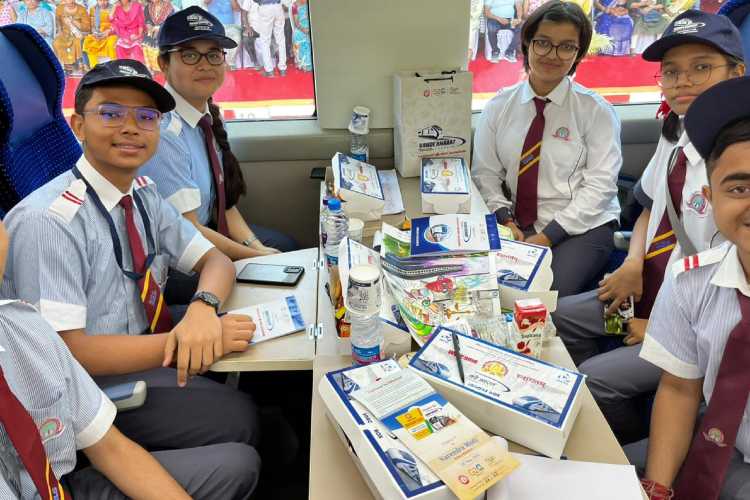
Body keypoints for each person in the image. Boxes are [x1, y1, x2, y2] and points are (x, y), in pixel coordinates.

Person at [0, 60, 262, 480]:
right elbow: (70, 353)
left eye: (145, 117)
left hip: (139, 340)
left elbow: (214, 261)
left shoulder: (141, 192)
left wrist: (202, 309)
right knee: (241, 419)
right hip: (87, 389)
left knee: (251, 367)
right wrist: (180, 342)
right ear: (78, 126)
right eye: (111, 113)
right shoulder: (48, 224)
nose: (130, 127)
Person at [552, 10, 745, 445]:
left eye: (701, 67)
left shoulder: (735, 162)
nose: (683, 81)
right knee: (561, 318)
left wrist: (659, 325)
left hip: (695, 321)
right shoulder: (676, 131)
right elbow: (649, 208)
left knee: (592, 380)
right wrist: (633, 263)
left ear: (738, 72)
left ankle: (632, 440)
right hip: (648, 286)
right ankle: (629, 402)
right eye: (671, 72)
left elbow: (729, 289)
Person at [636, 75, 750, 500]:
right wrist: (658, 489)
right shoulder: (690, 279)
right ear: (711, 197)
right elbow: (679, 388)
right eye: (739, 188)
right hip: (727, 442)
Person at [141, 7, 297, 302]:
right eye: (190, 55)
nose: (205, 65)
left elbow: (223, 204)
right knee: (274, 276)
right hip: (178, 262)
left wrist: (257, 248)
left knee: (285, 247)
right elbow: (187, 229)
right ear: (164, 62)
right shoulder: (164, 133)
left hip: (210, 232)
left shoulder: (209, 116)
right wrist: (255, 258)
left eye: (214, 54)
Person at [472, 0, 621, 297]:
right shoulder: (499, 106)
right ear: (527, 43)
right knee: (483, 287)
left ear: (577, 54)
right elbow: (485, 174)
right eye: (543, 43)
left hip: (582, 227)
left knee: (541, 297)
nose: (553, 55)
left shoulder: (596, 111)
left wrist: (548, 235)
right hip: (516, 223)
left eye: (566, 47)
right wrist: (505, 219)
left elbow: (601, 186)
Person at [53, 0, 90, 74]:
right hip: (65, 33)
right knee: (56, 42)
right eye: (67, 1)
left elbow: (86, 28)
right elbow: (58, 22)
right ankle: (66, 65)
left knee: (78, 41)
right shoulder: (59, 9)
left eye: (72, 1)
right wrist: (59, 31)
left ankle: (80, 65)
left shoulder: (82, 9)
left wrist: (73, 21)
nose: (69, 2)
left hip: (79, 32)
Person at [82, 0, 117, 67]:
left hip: (110, 33)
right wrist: (95, 32)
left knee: (112, 42)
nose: (103, 3)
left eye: (105, 0)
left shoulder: (114, 8)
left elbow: (117, 24)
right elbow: (92, 25)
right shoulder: (93, 9)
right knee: (88, 41)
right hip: (98, 33)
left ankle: (113, 66)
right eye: (100, 1)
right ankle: (94, 67)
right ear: (97, 1)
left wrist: (109, 31)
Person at [256, 0, 286, 76]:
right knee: (281, 40)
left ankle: (269, 70)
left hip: (265, 7)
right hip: (278, 6)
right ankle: (282, 69)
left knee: (265, 41)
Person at [143, 0, 173, 71]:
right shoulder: (148, 7)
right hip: (152, 32)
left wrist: (159, 28)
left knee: (160, 46)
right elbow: (147, 20)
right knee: (146, 42)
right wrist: (149, 26)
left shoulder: (168, 7)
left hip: (166, 31)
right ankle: (152, 69)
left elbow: (171, 22)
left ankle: (163, 68)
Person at [291, 0, 310, 71]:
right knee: (296, 35)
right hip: (300, 27)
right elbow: (296, 22)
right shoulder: (294, 5)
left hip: (310, 26)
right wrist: (303, 29)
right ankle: (299, 61)